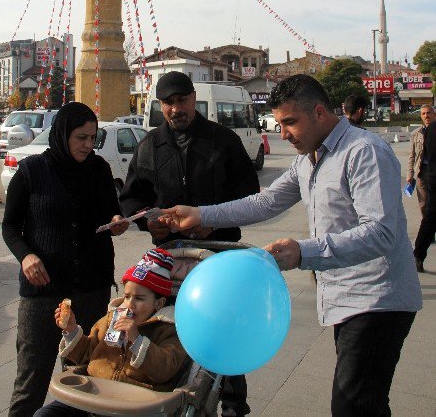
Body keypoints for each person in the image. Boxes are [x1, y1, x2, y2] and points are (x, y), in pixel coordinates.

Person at [161, 74, 423, 417]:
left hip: (378, 299)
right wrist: (200, 214)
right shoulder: (308, 158)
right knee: (365, 403)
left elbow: (381, 233)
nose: (282, 134)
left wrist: (304, 252)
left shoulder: (364, 152)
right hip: (344, 297)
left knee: (352, 405)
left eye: (289, 123)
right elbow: (263, 203)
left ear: (318, 112)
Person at [119, 71, 260, 417]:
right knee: (170, 329)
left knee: (222, 329)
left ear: (194, 99)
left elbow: (250, 196)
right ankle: (175, 397)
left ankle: (233, 404)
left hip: (218, 255)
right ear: (160, 105)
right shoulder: (149, 146)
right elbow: (129, 201)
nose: (176, 109)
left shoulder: (223, 141)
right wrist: (149, 222)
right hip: (167, 260)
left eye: (182, 100)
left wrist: (211, 222)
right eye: (168, 103)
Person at [2, 101, 128, 417]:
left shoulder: (100, 170)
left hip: (89, 290)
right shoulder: (32, 170)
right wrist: (25, 255)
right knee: (30, 384)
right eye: (81, 138)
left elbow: (111, 211)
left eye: (92, 138)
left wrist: (117, 220)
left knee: (81, 383)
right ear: (62, 134)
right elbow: (9, 226)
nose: (88, 145)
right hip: (43, 294)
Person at [34, 248, 187, 416]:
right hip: (94, 393)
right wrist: (71, 329)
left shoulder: (168, 329)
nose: (130, 304)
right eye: (127, 296)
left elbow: (165, 369)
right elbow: (88, 353)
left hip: (135, 405)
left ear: (159, 303)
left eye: (139, 298)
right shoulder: (111, 319)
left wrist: (137, 340)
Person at [414, 119, 436, 272]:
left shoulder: (431, 128)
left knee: (430, 217)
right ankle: (418, 255)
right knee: (431, 217)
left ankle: (418, 256)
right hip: (434, 178)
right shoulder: (433, 128)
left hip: (432, 178)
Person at [407, 104, 436, 217]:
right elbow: (412, 155)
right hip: (421, 173)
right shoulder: (416, 133)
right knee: (423, 204)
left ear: (434, 114)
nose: (426, 116)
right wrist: (410, 174)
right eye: (423, 114)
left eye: (428, 113)